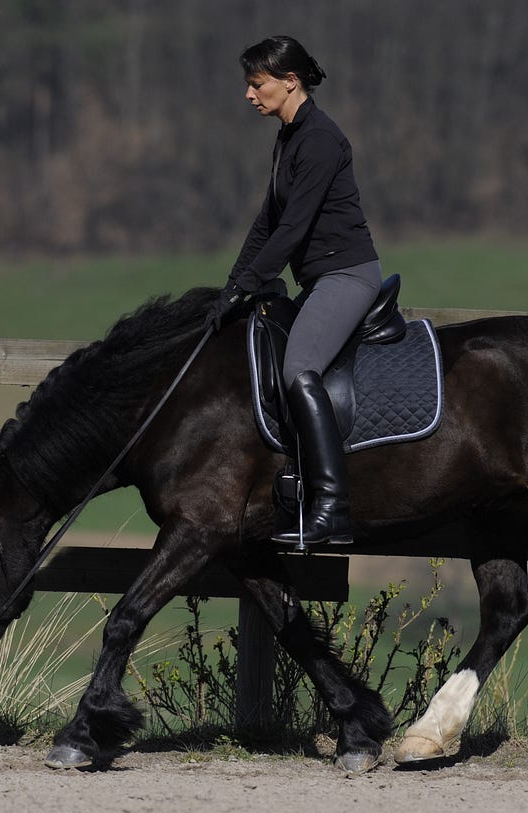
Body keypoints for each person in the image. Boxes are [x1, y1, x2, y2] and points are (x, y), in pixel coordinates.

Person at [209, 35, 382, 547]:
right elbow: (267, 223)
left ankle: (330, 507)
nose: (248, 95)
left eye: (256, 84)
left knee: (298, 369)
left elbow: (294, 230)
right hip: (319, 277)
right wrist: (231, 287)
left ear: (291, 82)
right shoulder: (288, 137)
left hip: (348, 275)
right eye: (248, 84)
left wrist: (248, 283)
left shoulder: (321, 140)